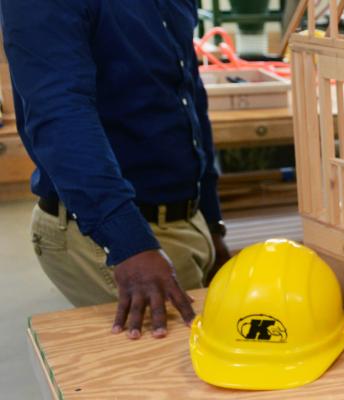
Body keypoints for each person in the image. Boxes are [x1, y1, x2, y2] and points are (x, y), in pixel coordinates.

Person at [2, 0, 229, 340]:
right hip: (109, 238)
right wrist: (128, 243)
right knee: (177, 369)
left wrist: (210, 219)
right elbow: (60, 116)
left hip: (184, 220)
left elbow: (187, 95)